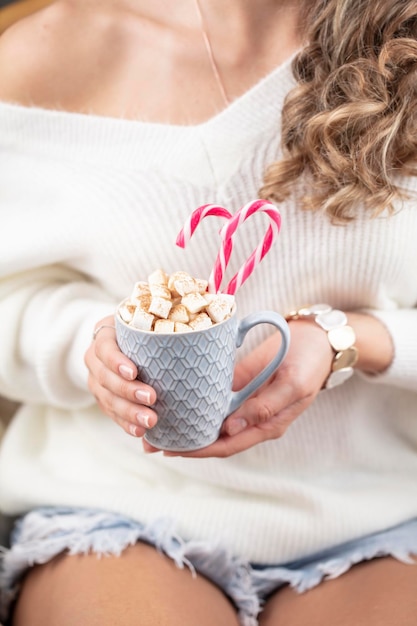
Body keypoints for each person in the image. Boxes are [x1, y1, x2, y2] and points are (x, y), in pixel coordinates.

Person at [0, 0, 416, 624]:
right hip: (122, 505)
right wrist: (92, 348)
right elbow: (13, 301)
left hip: (383, 511)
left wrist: (352, 340)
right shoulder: (46, 54)